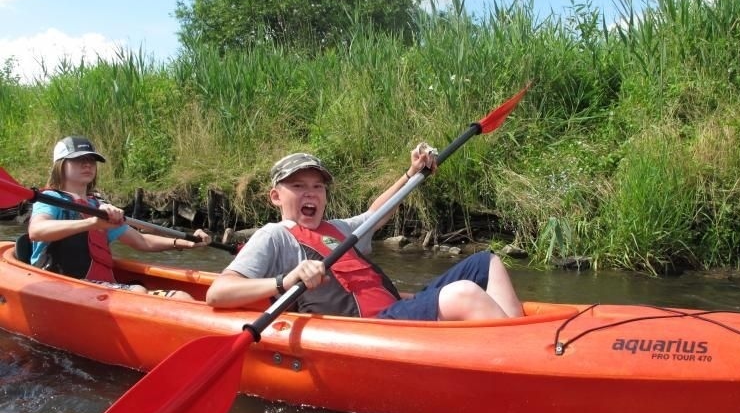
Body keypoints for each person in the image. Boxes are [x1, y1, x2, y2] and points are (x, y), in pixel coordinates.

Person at [206, 148, 524, 320]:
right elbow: (218, 293)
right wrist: (284, 281)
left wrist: (411, 175)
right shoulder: (274, 236)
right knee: (463, 293)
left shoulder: (338, 229)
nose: (311, 194)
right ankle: (518, 359)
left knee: (485, 262)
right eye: (299, 186)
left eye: (318, 187)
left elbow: (377, 213)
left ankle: (520, 341)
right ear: (276, 196)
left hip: (394, 310)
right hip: (369, 328)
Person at [28, 135, 211, 300]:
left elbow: (141, 241)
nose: (88, 164)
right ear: (60, 166)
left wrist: (182, 243)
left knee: (181, 297)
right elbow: (36, 231)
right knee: (138, 291)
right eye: (78, 159)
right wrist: (91, 223)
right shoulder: (51, 199)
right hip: (64, 284)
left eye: (92, 160)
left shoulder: (97, 206)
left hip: (99, 288)